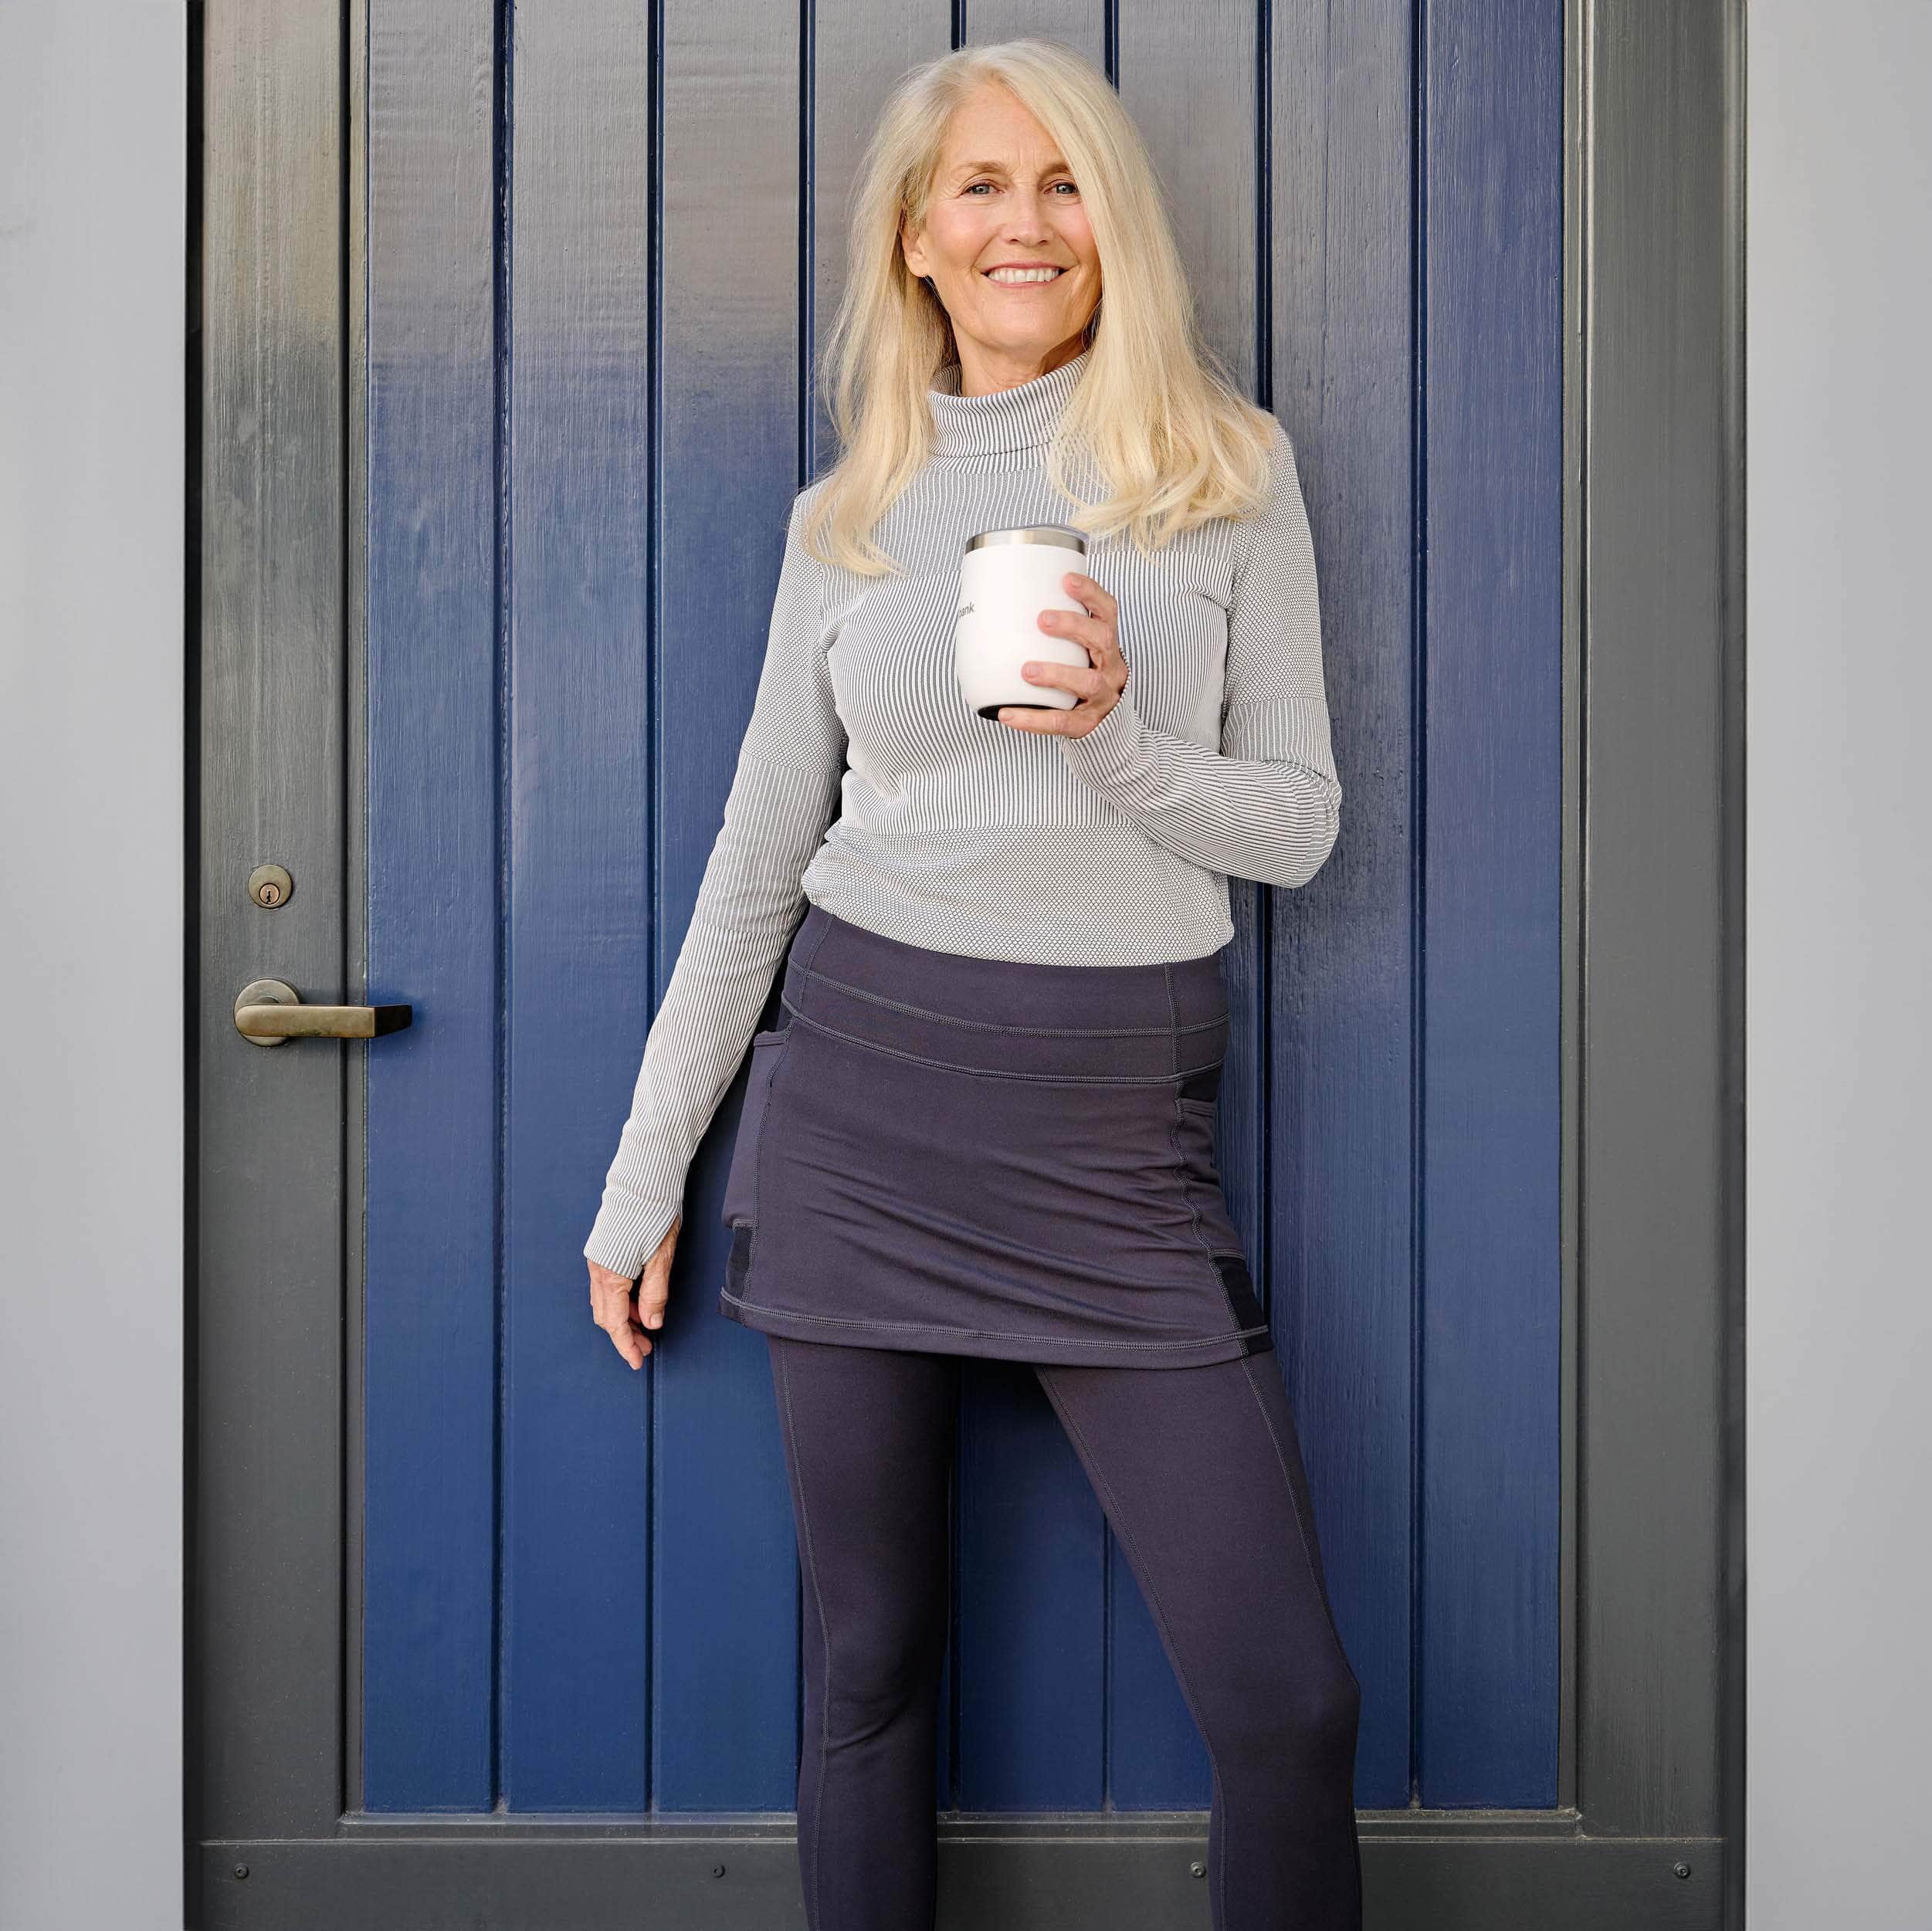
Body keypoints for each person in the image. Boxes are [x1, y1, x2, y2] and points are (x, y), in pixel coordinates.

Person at [582, 36, 1361, 1931]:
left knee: (1290, 1705)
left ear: (1115, 220)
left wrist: (1116, 742)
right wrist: (644, 1169)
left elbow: (1303, 826)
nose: (1028, 223)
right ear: (917, 239)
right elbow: (760, 860)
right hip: (854, 1107)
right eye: (982, 190)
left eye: (1065, 183)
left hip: (1110, 1129)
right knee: (870, 1672)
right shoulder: (848, 516)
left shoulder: (1223, 469)